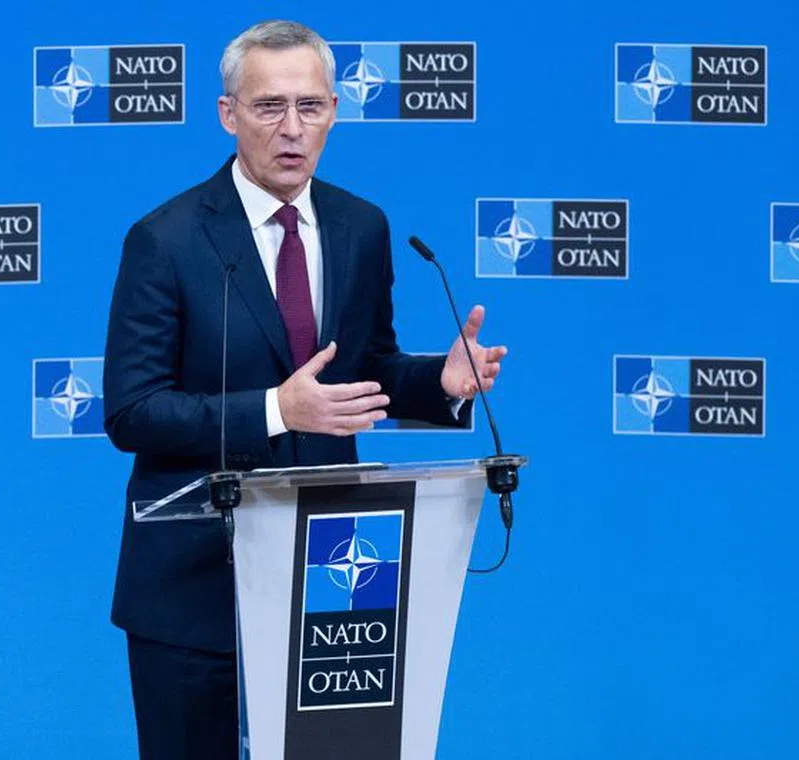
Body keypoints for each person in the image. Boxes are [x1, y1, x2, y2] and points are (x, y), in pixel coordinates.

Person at [102, 20, 508, 760]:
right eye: (269, 107)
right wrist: (273, 410)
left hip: (330, 578)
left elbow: (365, 369)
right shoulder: (166, 240)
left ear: (334, 111)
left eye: (311, 107)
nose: (293, 129)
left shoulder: (361, 226)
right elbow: (132, 410)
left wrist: (439, 384)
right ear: (229, 114)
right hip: (195, 583)